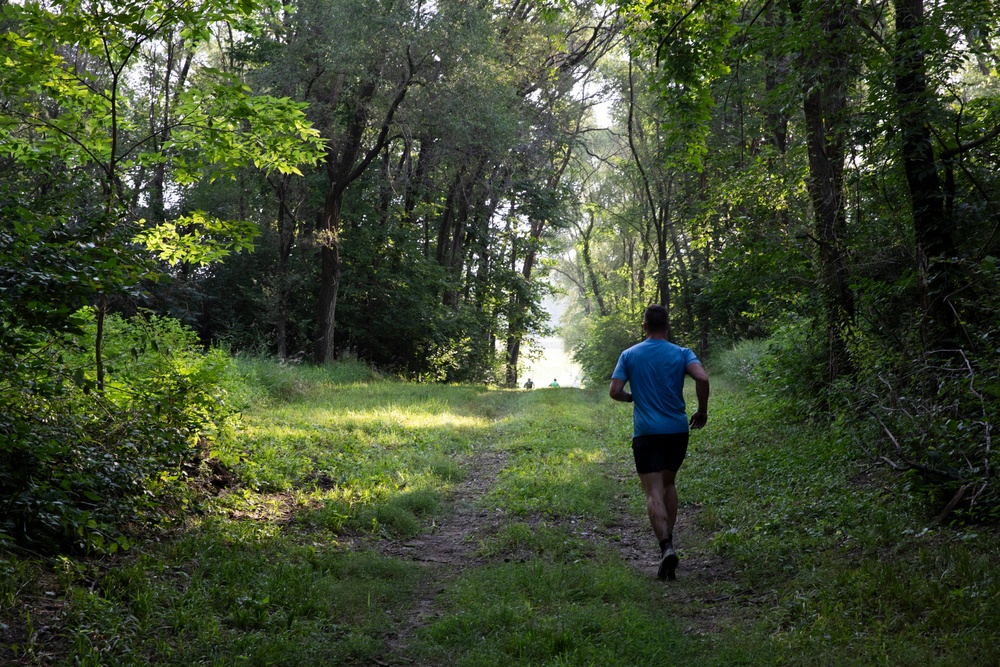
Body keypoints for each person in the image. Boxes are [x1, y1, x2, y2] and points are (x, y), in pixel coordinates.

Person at [609, 304, 709, 581]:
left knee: (653, 492)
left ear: (644, 327)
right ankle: (671, 542)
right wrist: (702, 410)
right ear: (668, 326)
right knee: (669, 483)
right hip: (677, 431)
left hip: (647, 433)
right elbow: (701, 376)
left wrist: (633, 398)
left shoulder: (629, 354)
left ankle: (666, 546)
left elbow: (615, 391)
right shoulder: (681, 353)